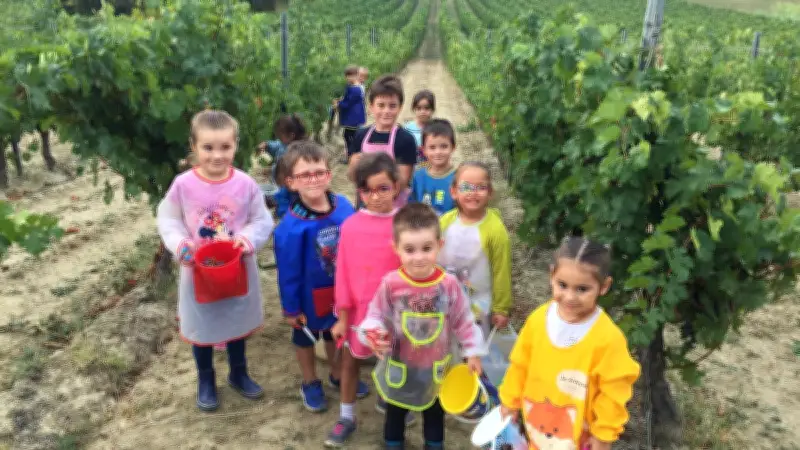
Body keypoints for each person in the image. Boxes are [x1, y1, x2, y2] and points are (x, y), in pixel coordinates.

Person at [156, 109, 274, 411]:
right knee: (203, 324)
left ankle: (238, 372)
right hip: (199, 270)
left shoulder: (246, 184)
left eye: (225, 147)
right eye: (208, 147)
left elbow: (261, 219)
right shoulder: (183, 185)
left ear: (236, 145)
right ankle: (206, 378)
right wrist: (180, 243)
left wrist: (247, 239)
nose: (217, 155)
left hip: (236, 268)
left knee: (234, 318)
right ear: (194, 147)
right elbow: (168, 219)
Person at [359, 203, 485, 450]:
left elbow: (463, 319)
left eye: (426, 248)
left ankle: (434, 445)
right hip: (401, 363)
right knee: (395, 411)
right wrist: (373, 332)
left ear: (440, 245)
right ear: (396, 248)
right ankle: (394, 444)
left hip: (436, 365)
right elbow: (376, 315)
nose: (418, 257)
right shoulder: (392, 283)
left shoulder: (448, 285)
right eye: (409, 249)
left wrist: (472, 351)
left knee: (434, 413)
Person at [498, 237, 641, 450]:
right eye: (562, 285)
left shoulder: (607, 338)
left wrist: (603, 435)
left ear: (604, 287)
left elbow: (614, 391)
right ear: (551, 275)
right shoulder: (538, 320)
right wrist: (509, 401)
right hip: (538, 431)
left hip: (579, 440)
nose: (570, 297)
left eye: (582, 289)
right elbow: (520, 364)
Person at [325, 153, 414, 448]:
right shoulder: (350, 226)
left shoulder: (405, 225)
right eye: (367, 191)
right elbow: (344, 272)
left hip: (397, 311)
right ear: (359, 192)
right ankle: (347, 415)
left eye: (383, 189)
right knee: (351, 361)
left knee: (396, 360)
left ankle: (392, 406)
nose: (375, 197)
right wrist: (343, 315)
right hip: (360, 310)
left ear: (396, 187)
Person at [273, 141, 359, 413]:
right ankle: (310, 381)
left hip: (340, 289)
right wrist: (291, 308)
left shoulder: (343, 206)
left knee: (337, 332)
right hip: (309, 295)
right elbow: (288, 272)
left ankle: (337, 373)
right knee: (306, 337)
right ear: (291, 183)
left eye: (319, 172)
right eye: (305, 175)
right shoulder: (291, 227)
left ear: (329, 174)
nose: (313, 179)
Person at [439, 162, 512, 338]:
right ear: (454, 192)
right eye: (466, 187)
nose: (473, 192)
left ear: (490, 193)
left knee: (474, 345)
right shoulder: (445, 222)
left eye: (481, 187)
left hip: (479, 304)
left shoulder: (495, 229)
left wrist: (501, 308)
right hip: (445, 300)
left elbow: (501, 270)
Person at [347, 74, 417, 210]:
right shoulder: (361, 136)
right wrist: (354, 165)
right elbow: (352, 176)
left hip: (394, 206)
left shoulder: (405, 140)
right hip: (366, 203)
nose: (386, 111)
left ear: (400, 107)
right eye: (381, 105)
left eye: (392, 106)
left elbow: (402, 182)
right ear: (371, 107)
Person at [258, 114, 307, 219]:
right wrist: (267, 144)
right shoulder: (284, 144)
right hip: (282, 183)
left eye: (281, 136)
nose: (279, 139)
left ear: (291, 135)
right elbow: (277, 145)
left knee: (286, 200)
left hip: (287, 190)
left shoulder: (296, 152)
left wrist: (280, 212)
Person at [408, 119, 457, 216]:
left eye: (444, 146)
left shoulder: (459, 178)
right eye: (432, 147)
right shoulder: (418, 176)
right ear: (423, 150)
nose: (438, 152)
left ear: (453, 147)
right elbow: (412, 207)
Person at [334, 65, 367, 150]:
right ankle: (352, 154)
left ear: (356, 76)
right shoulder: (356, 87)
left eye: (350, 76)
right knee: (349, 136)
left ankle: (352, 154)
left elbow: (348, 103)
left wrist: (338, 104)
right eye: (347, 76)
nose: (347, 78)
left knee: (349, 136)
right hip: (354, 118)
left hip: (353, 118)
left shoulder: (355, 89)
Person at [403, 90, 435, 167]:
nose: (423, 111)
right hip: (412, 168)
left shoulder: (435, 128)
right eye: (419, 108)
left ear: (433, 109)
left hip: (431, 167)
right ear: (414, 109)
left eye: (427, 108)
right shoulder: (408, 128)